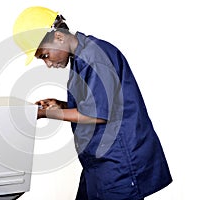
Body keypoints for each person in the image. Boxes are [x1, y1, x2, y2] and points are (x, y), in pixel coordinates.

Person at [13, 6, 172, 200]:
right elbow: (93, 103)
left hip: (119, 164)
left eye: (45, 55)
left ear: (59, 37)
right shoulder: (82, 57)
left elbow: (97, 114)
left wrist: (48, 113)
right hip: (98, 165)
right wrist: (61, 105)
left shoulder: (94, 57)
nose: (48, 64)